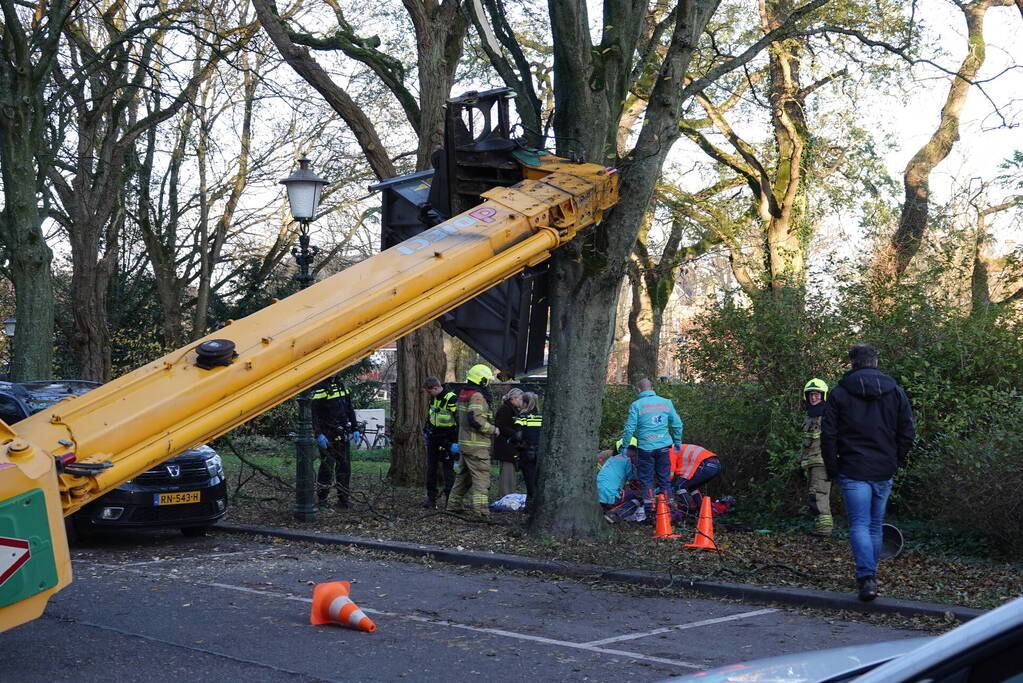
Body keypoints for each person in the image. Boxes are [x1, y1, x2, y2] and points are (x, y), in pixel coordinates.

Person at [822, 344, 915, 602]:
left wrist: (832, 468)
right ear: (875, 362)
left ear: (852, 363)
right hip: (883, 468)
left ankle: (867, 578)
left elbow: (828, 435)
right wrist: (896, 459)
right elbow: (908, 431)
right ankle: (869, 576)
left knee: (859, 525)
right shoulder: (895, 392)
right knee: (874, 526)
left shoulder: (840, 394)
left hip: (853, 468)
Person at [621, 378, 683, 518]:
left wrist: (625, 446)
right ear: (652, 387)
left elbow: (629, 428)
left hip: (645, 449)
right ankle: (670, 513)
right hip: (663, 447)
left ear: (638, 389)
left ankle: (651, 512)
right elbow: (678, 424)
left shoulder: (636, 405)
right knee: (664, 480)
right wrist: (677, 441)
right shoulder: (666, 402)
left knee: (646, 480)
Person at [449, 364, 499, 515]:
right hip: (476, 445)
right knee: (481, 479)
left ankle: (453, 505)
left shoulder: (464, 393)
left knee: (463, 478)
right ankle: (481, 511)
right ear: (482, 380)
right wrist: (492, 429)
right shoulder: (477, 396)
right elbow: (475, 419)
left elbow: (459, 417)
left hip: (465, 443)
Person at [312, 374, 358, 509]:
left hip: (342, 433)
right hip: (327, 435)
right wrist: (318, 434)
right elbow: (313, 413)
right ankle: (322, 500)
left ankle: (343, 500)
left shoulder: (341, 386)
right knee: (327, 468)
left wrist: (354, 428)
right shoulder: (320, 387)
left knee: (344, 468)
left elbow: (349, 408)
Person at [800, 378, 833, 537]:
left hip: (822, 463)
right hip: (812, 463)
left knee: (818, 495)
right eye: (811, 395)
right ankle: (821, 529)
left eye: (817, 395)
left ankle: (824, 531)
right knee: (814, 495)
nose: (814, 398)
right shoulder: (811, 416)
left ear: (823, 396)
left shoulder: (827, 415)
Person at [422, 376, 458, 509]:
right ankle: (431, 499)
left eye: (429, 391)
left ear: (436, 388)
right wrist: (426, 430)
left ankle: (450, 501)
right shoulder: (434, 398)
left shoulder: (451, 398)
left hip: (448, 438)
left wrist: (455, 442)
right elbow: (431, 415)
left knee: (448, 470)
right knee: (431, 469)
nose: (428, 394)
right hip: (434, 437)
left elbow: (458, 420)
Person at [597, 437, 642, 523]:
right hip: (611, 496)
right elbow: (632, 477)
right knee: (639, 496)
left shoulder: (611, 459)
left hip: (598, 494)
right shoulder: (627, 460)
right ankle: (615, 515)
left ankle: (607, 510)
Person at [669, 444, 722, 514]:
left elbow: (670, 473)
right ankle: (701, 512)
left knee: (679, 486)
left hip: (705, 465)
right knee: (692, 487)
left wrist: (664, 486)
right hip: (716, 466)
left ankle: (689, 512)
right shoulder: (677, 447)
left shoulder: (669, 451)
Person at [494, 387, 525, 498]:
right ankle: (506, 496)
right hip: (505, 447)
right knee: (507, 474)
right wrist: (515, 434)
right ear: (513, 398)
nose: (522, 402)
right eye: (520, 399)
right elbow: (502, 426)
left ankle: (509, 495)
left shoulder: (513, 410)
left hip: (510, 447)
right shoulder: (505, 409)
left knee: (510, 473)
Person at [514, 392, 542, 512]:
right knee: (538, 479)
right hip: (540, 452)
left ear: (525, 403)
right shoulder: (542, 417)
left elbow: (518, 436)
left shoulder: (522, 417)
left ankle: (530, 506)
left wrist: (512, 441)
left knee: (529, 479)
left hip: (527, 452)